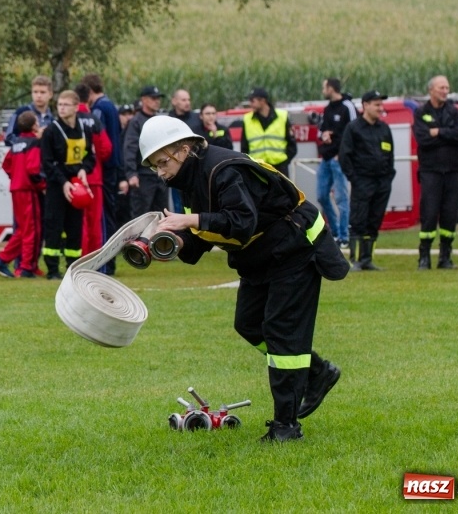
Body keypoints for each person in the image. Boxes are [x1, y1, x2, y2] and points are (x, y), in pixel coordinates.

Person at [139, 116, 350, 442]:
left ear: (184, 149)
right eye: (154, 166)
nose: (161, 172)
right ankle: (316, 372)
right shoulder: (189, 179)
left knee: (283, 336)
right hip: (262, 255)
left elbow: (240, 222)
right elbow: (200, 238)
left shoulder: (225, 171)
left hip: (295, 248)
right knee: (249, 323)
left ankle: (286, 427)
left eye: (163, 162)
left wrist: (187, 219)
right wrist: (171, 241)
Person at [412, 75, 458, 270]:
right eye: (441, 88)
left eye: (447, 87)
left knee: (449, 214)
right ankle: (424, 256)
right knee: (429, 214)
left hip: (453, 172)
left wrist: (439, 132)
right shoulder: (421, 112)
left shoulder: (453, 111)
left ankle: (445, 257)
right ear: (431, 90)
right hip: (431, 172)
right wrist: (447, 134)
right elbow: (423, 139)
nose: (445, 91)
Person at [40, 90, 96, 280]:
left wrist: (84, 170)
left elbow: (91, 156)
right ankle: (53, 270)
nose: (61, 108)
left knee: (75, 228)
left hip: (77, 185)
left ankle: (73, 268)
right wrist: (63, 182)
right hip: (57, 185)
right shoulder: (51, 131)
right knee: (53, 226)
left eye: (65, 104)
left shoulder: (85, 129)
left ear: (76, 107)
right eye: (60, 105)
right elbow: (47, 163)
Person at [339, 91, 396, 271]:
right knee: (359, 220)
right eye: (377, 105)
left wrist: (388, 177)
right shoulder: (353, 128)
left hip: (382, 183)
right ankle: (355, 260)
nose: (381, 108)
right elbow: (344, 156)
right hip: (362, 182)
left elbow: (390, 155)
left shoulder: (384, 128)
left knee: (374, 220)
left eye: (381, 104)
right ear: (365, 105)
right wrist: (354, 179)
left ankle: (367, 259)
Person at [0, 111, 44, 278]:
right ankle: (25, 267)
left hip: (16, 189)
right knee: (32, 229)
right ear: (34, 125)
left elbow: (6, 165)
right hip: (28, 190)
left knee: (23, 229)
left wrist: (16, 176)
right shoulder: (34, 143)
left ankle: (4, 261)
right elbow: (33, 168)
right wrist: (42, 185)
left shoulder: (16, 144)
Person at [82, 73, 126, 273]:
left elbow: (97, 140)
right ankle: (109, 262)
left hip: (105, 168)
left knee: (104, 216)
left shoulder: (99, 109)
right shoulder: (111, 106)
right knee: (110, 214)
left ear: (90, 91)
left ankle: (106, 262)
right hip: (115, 166)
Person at [317, 78, 358, 248]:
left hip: (339, 160)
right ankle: (334, 231)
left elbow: (355, 130)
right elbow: (321, 131)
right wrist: (324, 135)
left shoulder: (347, 106)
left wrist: (343, 154)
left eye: (324, 87)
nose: (322, 90)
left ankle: (344, 236)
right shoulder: (327, 109)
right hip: (326, 159)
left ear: (331, 88)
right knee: (321, 196)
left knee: (341, 198)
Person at [75, 84, 113, 258]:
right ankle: (96, 263)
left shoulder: (69, 120)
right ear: (89, 97)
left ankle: (78, 260)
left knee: (78, 223)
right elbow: (106, 148)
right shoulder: (93, 120)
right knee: (95, 223)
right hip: (95, 178)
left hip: (74, 179)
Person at [123, 85, 168, 217]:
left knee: (162, 215)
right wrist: (131, 174)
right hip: (143, 177)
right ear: (144, 99)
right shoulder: (136, 122)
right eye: (153, 98)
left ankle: (160, 238)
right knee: (141, 216)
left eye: (158, 98)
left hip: (160, 176)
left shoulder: (159, 120)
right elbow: (129, 149)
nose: (157, 101)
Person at [241, 87, 297, 176]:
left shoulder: (282, 116)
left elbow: (292, 144)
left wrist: (284, 162)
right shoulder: (247, 119)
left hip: (279, 168)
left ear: (262, 101)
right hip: (257, 169)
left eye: (252, 100)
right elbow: (244, 147)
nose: (250, 104)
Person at [4, 75, 54, 146]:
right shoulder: (20, 113)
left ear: (50, 94)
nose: (38, 95)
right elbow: (8, 137)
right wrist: (31, 140)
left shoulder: (52, 119)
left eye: (42, 92)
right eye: (35, 92)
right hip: (24, 155)